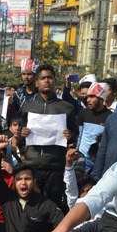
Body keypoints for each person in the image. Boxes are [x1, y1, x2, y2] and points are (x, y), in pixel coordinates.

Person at [19, 64, 78, 211]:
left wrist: (70, 136)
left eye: (50, 78)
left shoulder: (66, 108)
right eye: (43, 78)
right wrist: (22, 133)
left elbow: (75, 134)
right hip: (32, 165)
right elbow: (19, 136)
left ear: (55, 81)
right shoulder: (28, 108)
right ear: (37, 82)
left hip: (56, 167)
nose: (47, 81)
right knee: (31, 207)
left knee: (55, 208)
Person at [76, 82, 111, 172]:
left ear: (100, 98)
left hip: (98, 162)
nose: (87, 100)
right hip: (81, 159)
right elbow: (79, 135)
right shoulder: (83, 113)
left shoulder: (110, 117)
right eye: (87, 97)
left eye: (92, 97)